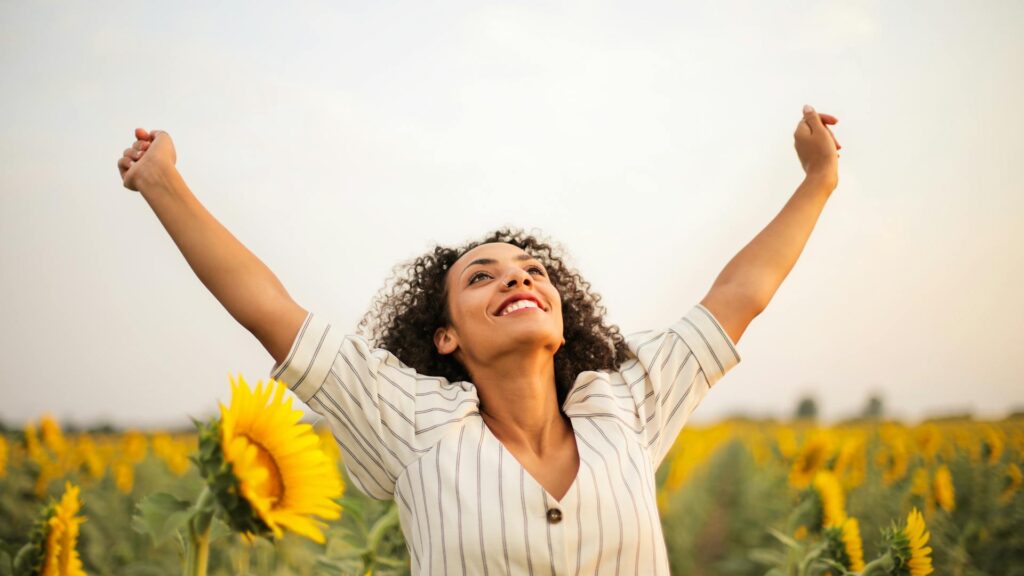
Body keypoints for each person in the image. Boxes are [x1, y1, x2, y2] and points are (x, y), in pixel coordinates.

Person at [116, 104, 840, 574]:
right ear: (444, 338)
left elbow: (740, 297)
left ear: (561, 319)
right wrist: (163, 183)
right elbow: (268, 309)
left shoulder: (624, 402)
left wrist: (819, 179)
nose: (516, 280)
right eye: (482, 278)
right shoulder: (412, 423)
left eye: (532, 272)